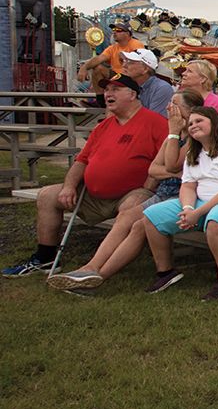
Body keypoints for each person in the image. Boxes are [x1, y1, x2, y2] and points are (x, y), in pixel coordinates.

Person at [2, 74, 166, 277]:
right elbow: (82, 161)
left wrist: (149, 187)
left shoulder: (155, 123)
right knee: (47, 196)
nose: (108, 94)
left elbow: (166, 160)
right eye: (106, 90)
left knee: (132, 206)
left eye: (115, 89)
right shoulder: (103, 127)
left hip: (132, 192)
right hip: (91, 194)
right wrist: (69, 186)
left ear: (132, 94)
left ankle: (100, 265)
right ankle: (45, 258)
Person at [46, 90, 203, 291]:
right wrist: (173, 169)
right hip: (166, 193)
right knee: (129, 219)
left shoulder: (194, 136)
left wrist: (172, 137)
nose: (168, 108)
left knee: (137, 223)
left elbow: (171, 165)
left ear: (189, 111)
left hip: (184, 196)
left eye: (174, 104)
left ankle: (94, 276)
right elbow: (153, 169)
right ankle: (90, 270)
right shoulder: (174, 137)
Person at [140, 107, 218, 300]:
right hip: (201, 201)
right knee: (152, 216)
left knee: (216, 220)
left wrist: (197, 212)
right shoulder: (194, 153)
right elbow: (187, 186)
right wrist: (188, 208)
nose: (193, 125)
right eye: (190, 123)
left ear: (214, 122)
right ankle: (166, 273)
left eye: (199, 121)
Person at [76, 20, 142, 83]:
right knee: (97, 69)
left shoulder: (136, 44)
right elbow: (99, 58)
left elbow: (139, 66)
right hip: (117, 76)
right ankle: (100, 95)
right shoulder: (112, 48)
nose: (114, 32)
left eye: (118, 30)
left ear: (127, 33)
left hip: (131, 77)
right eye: (114, 30)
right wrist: (84, 67)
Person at [178, 59, 218, 130]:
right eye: (185, 70)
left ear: (203, 79)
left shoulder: (216, 103)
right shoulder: (181, 97)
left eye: (189, 71)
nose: (183, 73)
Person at [118, 48, 174, 116]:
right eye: (124, 61)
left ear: (145, 69)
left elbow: (155, 121)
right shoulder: (127, 85)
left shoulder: (162, 88)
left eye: (130, 62)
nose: (124, 65)